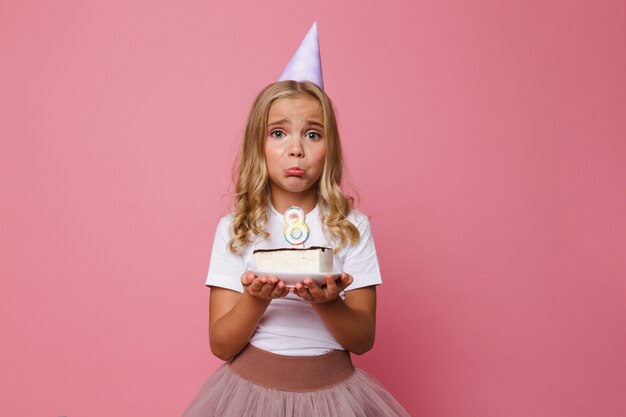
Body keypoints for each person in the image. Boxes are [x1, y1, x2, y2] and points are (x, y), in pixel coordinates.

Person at [181, 25, 410, 417]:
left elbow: (363, 339)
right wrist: (255, 297)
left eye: (313, 134)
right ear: (259, 145)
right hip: (249, 395)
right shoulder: (237, 228)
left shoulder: (350, 226)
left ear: (330, 147)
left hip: (334, 395)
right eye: (278, 133)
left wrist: (326, 302)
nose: (296, 150)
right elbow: (221, 344)